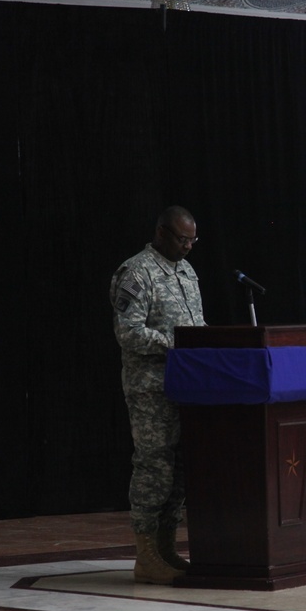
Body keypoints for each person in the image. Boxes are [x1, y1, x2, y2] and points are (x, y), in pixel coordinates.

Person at [110, 205, 205, 585]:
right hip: (151, 389)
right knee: (155, 468)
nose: (188, 247)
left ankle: (166, 548)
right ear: (162, 233)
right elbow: (127, 332)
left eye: (193, 241)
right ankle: (145, 554)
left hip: (187, 386)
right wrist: (175, 344)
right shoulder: (135, 272)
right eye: (183, 240)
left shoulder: (187, 271)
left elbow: (197, 325)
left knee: (180, 470)